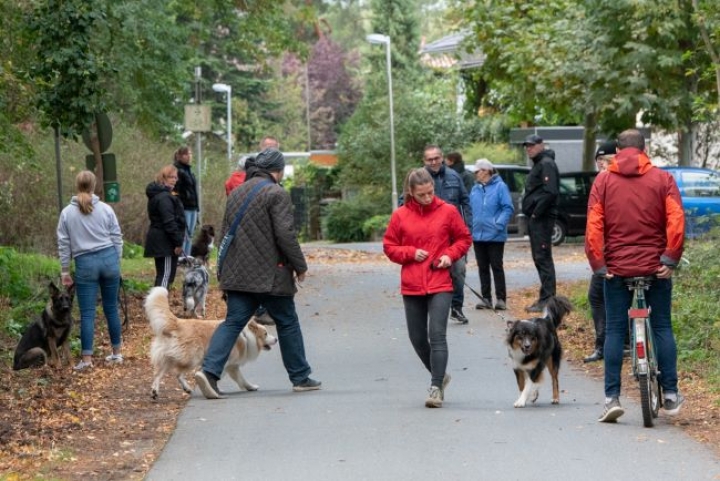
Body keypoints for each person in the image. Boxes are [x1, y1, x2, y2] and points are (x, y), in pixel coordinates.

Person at [194, 148, 321, 398]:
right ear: (278, 170)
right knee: (287, 321)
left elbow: (225, 234)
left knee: (233, 322)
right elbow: (285, 234)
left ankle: (209, 372)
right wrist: (300, 265)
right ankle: (300, 376)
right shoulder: (276, 193)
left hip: (238, 273)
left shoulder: (237, 193)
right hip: (270, 274)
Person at [585, 129, 686, 422]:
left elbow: (594, 225)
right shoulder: (663, 179)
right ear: (644, 148)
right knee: (662, 327)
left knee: (616, 330)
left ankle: (612, 397)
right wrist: (670, 257)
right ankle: (669, 393)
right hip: (655, 267)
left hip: (617, 268)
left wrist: (599, 264)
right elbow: (676, 220)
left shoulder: (603, 181)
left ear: (618, 150)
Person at [384, 168, 472, 408]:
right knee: (417, 338)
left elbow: (464, 239)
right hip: (412, 283)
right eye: (421, 194)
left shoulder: (448, 211)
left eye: (430, 192)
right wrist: (411, 253)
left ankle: (435, 388)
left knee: (437, 334)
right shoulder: (400, 216)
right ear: (411, 192)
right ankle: (441, 375)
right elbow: (389, 246)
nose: (427, 198)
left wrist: (448, 256)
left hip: (440, 281)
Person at [57, 170, 123, 371]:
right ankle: (117, 354)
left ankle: (86, 360)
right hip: (108, 258)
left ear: (77, 185)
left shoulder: (67, 213)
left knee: (87, 313)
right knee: (111, 308)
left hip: (84, 262)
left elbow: (63, 243)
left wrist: (65, 270)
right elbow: (116, 237)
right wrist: (116, 261)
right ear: (94, 186)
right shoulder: (105, 209)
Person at [422, 145, 472, 324]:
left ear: (442, 158)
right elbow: (405, 204)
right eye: (430, 159)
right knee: (431, 272)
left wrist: (468, 229)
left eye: (436, 158)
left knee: (458, 271)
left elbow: (465, 203)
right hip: (428, 238)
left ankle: (456, 307)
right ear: (424, 161)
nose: (434, 162)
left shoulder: (454, 176)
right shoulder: (419, 178)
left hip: (453, 237)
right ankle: (433, 308)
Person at [583, 140, 617, 363]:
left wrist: (597, 260)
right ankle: (619, 343)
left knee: (598, 297)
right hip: (627, 251)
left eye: (605, 161)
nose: (601, 165)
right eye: (600, 161)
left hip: (610, 253)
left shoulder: (606, 182)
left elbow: (596, 224)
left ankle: (604, 345)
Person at [520, 134, 560, 313]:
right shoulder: (539, 163)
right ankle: (545, 298)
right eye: (527, 146)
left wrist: (536, 213)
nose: (529, 148)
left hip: (542, 219)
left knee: (543, 258)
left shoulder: (546, 164)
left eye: (532, 145)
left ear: (541, 145)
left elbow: (550, 192)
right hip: (537, 218)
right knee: (539, 258)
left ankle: (547, 300)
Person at [469, 158, 514, 311]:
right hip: (478, 235)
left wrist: (498, 224)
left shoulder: (500, 187)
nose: (475, 174)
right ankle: (486, 298)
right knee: (482, 267)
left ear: (486, 171)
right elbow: (470, 209)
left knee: (496, 266)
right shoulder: (475, 189)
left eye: (477, 171)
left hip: (495, 235)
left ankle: (501, 299)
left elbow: (508, 208)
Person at [144, 165, 186, 288]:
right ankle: (159, 306)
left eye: (175, 177)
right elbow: (169, 222)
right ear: (163, 178)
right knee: (165, 275)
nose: (174, 180)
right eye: (171, 177)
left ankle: (157, 304)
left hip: (163, 239)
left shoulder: (166, 194)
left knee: (164, 275)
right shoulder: (164, 197)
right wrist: (178, 242)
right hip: (164, 241)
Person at [172, 146, 199, 257]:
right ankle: (180, 259)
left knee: (190, 235)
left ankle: (186, 258)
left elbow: (193, 190)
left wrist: (198, 208)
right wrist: (179, 205)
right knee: (184, 235)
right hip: (184, 207)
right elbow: (175, 191)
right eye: (186, 154)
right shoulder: (176, 170)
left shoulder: (188, 170)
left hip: (193, 207)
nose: (189, 156)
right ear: (179, 156)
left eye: (190, 153)